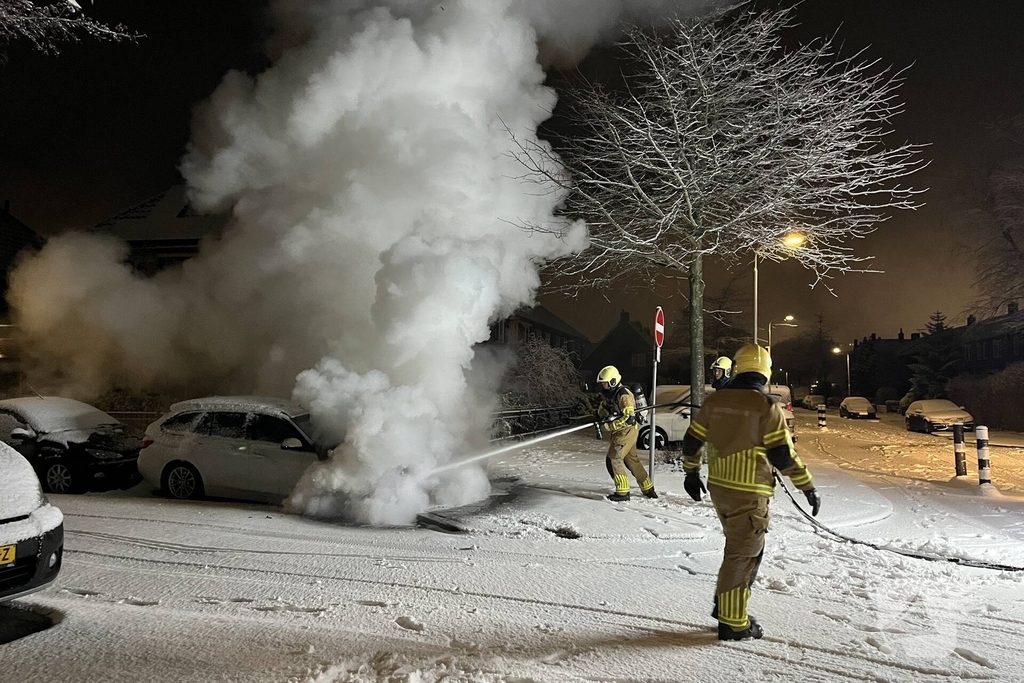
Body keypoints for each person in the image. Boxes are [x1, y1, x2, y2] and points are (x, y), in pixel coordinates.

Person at [680, 344, 821, 641]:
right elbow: (783, 455)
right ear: (765, 371)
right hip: (749, 493)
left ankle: (726, 606)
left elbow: (693, 440)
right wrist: (806, 486)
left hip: (720, 489)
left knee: (739, 551)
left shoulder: (715, 401)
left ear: (738, 367)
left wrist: (691, 473)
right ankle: (733, 623)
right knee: (743, 556)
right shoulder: (766, 407)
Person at [595, 365, 657, 501]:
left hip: (625, 432)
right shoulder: (612, 394)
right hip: (624, 432)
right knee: (632, 461)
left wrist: (609, 425)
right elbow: (604, 408)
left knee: (613, 459)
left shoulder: (624, 395)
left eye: (605, 383)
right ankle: (648, 488)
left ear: (612, 381)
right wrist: (602, 415)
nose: (603, 386)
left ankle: (623, 492)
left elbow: (628, 418)